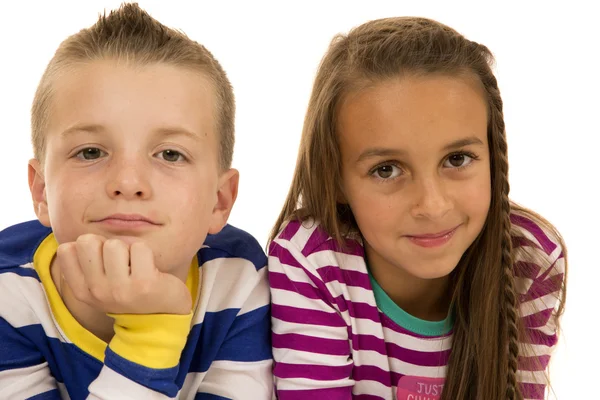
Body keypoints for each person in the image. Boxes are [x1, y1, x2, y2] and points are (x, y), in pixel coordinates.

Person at [268, 16, 567, 400]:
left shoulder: (528, 260)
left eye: (457, 159)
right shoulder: (313, 262)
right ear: (336, 178)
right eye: (386, 169)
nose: (432, 204)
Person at [0, 3, 272, 399]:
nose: (128, 183)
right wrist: (151, 332)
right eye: (91, 152)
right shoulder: (9, 296)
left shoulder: (237, 280)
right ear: (41, 191)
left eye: (170, 154)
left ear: (219, 200)